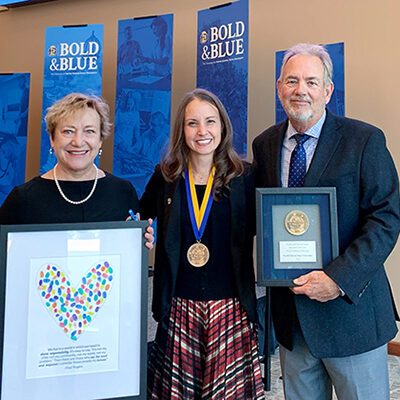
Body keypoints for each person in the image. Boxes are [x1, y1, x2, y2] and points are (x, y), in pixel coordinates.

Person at [252, 43, 400, 399]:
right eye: (291, 80)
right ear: (279, 87)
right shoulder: (265, 145)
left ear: (328, 90)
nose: (300, 90)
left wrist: (337, 279)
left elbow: (386, 217)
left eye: (311, 82)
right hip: (293, 320)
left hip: (352, 316)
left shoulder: (364, 139)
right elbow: (259, 216)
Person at [141, 88, 265, 399]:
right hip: (179, 306)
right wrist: (141, 233)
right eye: (192, 123)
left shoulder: (244, 176)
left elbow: (268, 227)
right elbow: (138, 218)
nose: (202, 131)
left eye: (210, 122)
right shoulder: (166, 176)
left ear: (222, 127)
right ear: (181, 130)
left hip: (231, 307)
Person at [0, 93, 153, 247]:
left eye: (89, 131)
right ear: (52, 139)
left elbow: (127, 253)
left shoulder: (123, 193)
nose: (78, 142)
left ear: (100, 140)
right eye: (68, 131)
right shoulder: (22, 199)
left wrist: (140, 246)